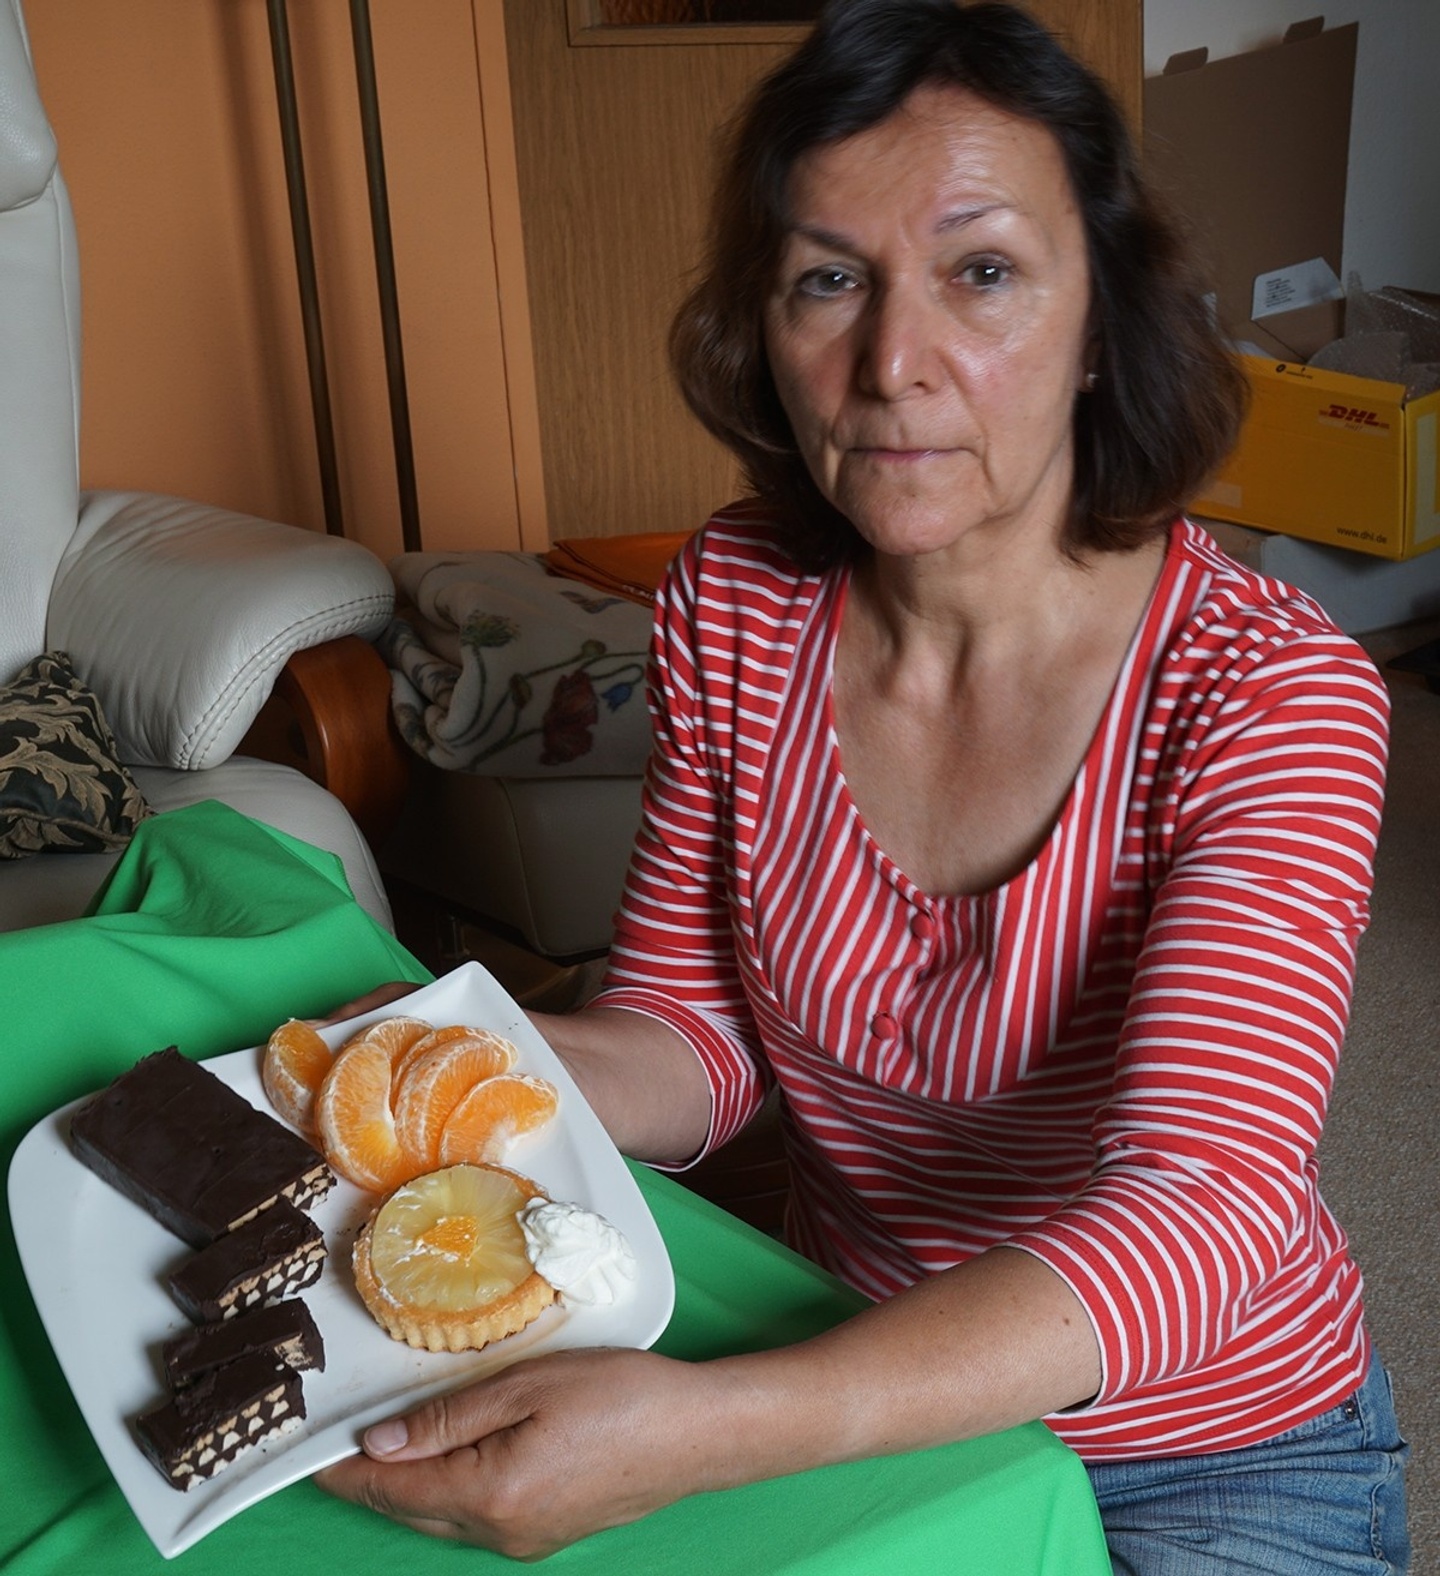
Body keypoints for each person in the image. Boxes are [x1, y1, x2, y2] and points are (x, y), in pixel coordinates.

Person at [317, 1, 1411, 1567]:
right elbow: (693, 1042)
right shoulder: (740, 596)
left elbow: (1203, 1217)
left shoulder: (1269, 693)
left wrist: (717, 1430)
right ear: (763, 329)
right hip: (828, 1351)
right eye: (830, 279)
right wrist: (443, 1060)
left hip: (1204, 1454)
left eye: (982, 272)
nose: (894, 365)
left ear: (1101, 318)